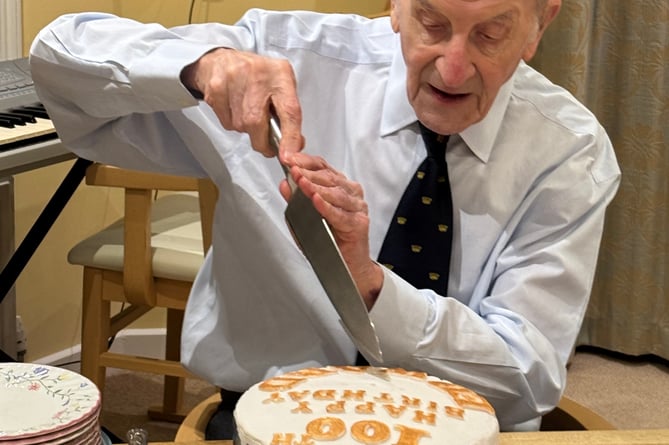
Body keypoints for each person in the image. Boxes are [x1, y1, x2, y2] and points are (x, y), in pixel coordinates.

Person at [29, 0, 620, 434]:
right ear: (395, 6)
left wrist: (370, 285)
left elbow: (527, 378)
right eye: (432, 24)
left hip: (466, 428)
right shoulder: (290, 57)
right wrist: (199, 65)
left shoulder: (569, 153)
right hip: (263, 417)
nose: (454, 68)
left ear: (541, 23)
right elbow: (61, 66)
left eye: (492, 33)